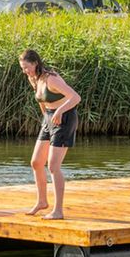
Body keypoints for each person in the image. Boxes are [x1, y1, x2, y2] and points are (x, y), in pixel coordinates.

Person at [19, 49, 80, 218]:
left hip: (65, 118)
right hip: (49, 120)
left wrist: (59, 111)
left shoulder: (51, 78)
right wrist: (46, 118)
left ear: (35, 63)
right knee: (36, 162)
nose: (25, 71)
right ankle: (42, 201)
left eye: (26, 67)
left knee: (53, 166)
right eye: (22, 68)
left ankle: (58, 210)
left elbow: (75, 97)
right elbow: (41, 101)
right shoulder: (34, 79)